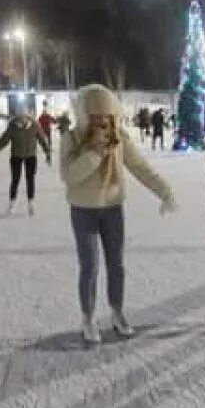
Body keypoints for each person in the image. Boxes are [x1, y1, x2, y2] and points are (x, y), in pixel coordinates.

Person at [60, 84, 177, 344]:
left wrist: (164, 190)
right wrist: (95, 153)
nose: (102, 120)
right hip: (83, 211)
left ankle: (117, 310)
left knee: (117, 265)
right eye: (95, 115)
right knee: (89, 266)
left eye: (106, 114)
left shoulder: (118, 137)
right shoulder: (72, 138)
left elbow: (139, 166)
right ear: (84, 114)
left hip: (113, 208)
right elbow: (69, 176)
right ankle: (88, 317)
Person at [0, 105, 52, 215]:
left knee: (30, 179)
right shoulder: (12, 127)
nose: (22, 118)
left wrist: (47, 153)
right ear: (17, 115)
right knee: (15, 179)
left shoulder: (34, 126)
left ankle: (30, 203)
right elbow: (3, 141)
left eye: (24, 115)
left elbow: (42, 139)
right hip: (16, 156)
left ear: (27, 115)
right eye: (20, 115)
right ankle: (12, 203)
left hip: (31, 156)